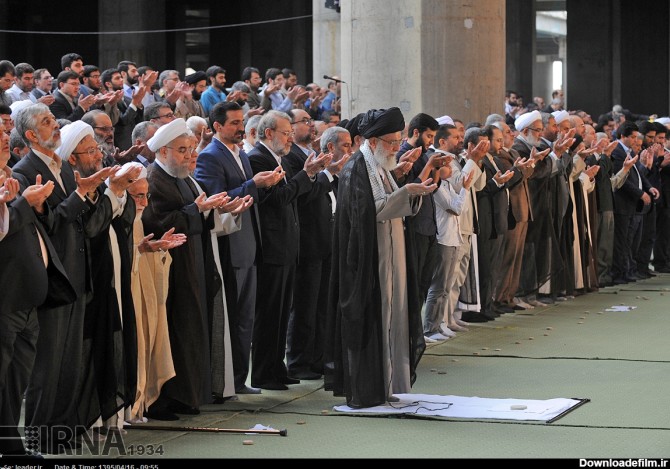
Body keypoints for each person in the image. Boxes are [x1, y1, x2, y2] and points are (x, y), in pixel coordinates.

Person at [325, 107, 436, 408]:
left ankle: (390, 383)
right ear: (373, 141)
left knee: (395, 315)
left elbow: (387, 201)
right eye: (392, 142)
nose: (397, 147)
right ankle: (371, 388)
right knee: (377, 318)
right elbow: (370, 211)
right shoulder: (356, 167)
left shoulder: (380, 165)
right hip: (371, 258)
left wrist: (410, 191)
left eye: (398, 140)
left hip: (391, 251)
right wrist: (407, 191)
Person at [141, 118, 230, 416]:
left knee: (188, 329)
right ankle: (163, 399)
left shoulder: (181, 178)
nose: (188, 156)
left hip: (191, 262)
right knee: (171, 331)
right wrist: (197, 209)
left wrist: (208, 209)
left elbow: (193, 212)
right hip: (168, 267)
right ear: (163, 151)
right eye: (181, 150)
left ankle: (186, 395)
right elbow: (158, 223)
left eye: (190, 149)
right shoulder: (154, 179)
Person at [195, 102, 282, 395]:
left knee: (246, 318)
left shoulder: (240, 153)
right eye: (233, 123)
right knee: (232, 318)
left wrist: (262, 184)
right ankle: (225, 382)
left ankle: (239, 379)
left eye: (241, 122)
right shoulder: (210, 156)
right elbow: (217, 199)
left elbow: (247, 193)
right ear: (217, 126)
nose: (240, 128)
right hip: (231, 246)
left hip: (249, 244)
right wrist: (253, 184)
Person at [0, 120, 74, 457]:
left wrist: (37, 205)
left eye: (5, 134)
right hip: (6, 297)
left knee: (16, 380)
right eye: (0, 135)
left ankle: (11, 448)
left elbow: (29, 227)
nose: (6, 138)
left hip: (27, 297)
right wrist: (23, 204)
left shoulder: (10, 176)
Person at [247, 110, 330, 390]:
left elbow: (290, 196)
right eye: (286, 133)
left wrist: (308, 175)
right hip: (271, 247)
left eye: (291, 134)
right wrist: (307, 174)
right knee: (269, 313)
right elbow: (278, 199)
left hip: (286, 245)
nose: (290, 139)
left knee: (282, 312)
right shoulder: (257, 158)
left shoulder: (277, 158)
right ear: (269, 133)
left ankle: (276, 367)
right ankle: (263, 373)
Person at [126, 165, 186, 422]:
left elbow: (143, 253)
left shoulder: (140, 220)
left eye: (146, 196)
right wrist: (141, 250)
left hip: (146, 292)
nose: (143, 202)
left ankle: (142, 404)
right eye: (137, 196)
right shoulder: (119, 219)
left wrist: (158, 250)